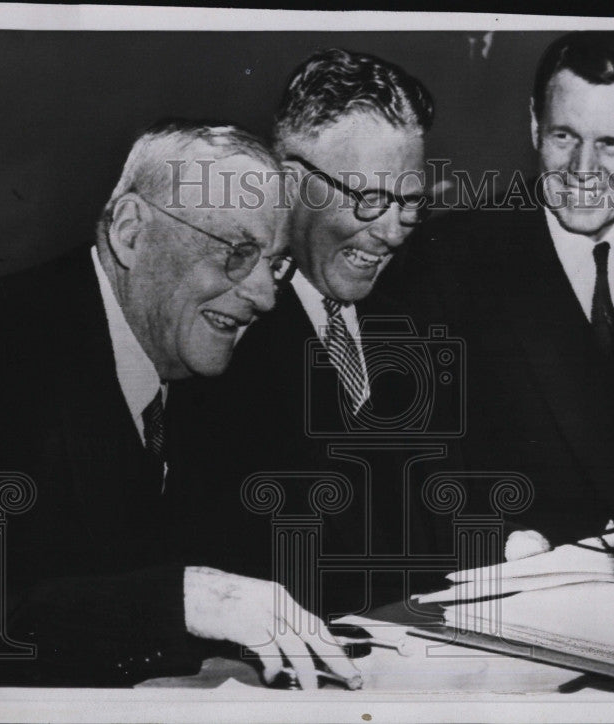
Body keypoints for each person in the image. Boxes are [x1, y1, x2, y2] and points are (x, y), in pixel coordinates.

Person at [0, 120, 360, 689]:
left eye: (274, 264)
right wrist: (188, 599)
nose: (265, 296)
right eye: (238, 252)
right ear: (129, 231)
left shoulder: (218, 363)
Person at [388, 31, 614, 548]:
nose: (583, 171)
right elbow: (420, 471)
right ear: (535, 125)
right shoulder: (450, 255)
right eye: (564, 136)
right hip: (526, 580)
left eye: (610, 143)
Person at [170, 49, 455, 619]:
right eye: (372, 200)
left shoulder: (418, 317)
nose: (395, 233)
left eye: (409, 203)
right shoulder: (210, 330)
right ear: (293, 181)